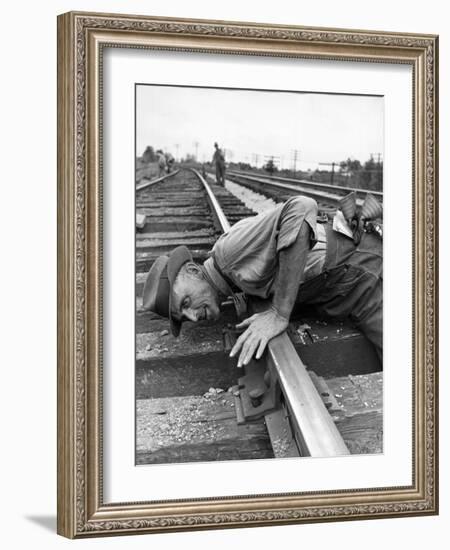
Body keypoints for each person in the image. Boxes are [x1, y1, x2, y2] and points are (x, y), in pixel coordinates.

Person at [142, 193, 383, 367]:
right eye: (184, 318)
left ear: (194, 271)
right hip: (350, 287)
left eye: (185, 304)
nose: (193, 317)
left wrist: (279, 313)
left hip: (365, 273)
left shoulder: (228, 253)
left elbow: (301, 207)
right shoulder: (230, 277)